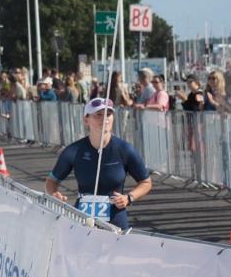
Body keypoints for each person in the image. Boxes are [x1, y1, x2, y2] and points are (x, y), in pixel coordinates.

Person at [45, 97, 152, 231]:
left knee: (116, 252)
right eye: (98, 115)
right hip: (83, 218)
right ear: (86, 119)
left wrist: (129, 198)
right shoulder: (74, 150)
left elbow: (146, 182)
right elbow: (52, 180)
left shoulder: (125, 149)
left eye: (108, 114)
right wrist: (54, 193)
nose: (105, 119)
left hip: (116, 219)